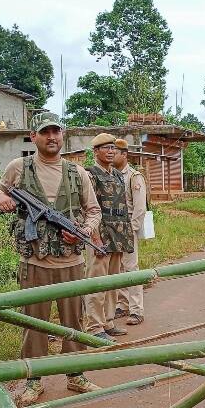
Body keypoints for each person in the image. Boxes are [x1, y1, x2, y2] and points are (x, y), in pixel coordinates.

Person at [0, 112, 102, 406]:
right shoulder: (19, 168)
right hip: (34, 262)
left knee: (73, 322)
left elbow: (94, 211)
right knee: (34, 322)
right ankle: (34, 380)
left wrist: (84, 232)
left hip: (70, 262)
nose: (52, 137)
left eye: (56, 131)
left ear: (62, 136)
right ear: (33, 137)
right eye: (45, 132)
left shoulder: (79, 173)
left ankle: (75, 375)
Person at [85, 134, 135, 340]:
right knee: (97, 283)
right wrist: (95, 239)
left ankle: (108, 321)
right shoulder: (91, 174)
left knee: (113, 282)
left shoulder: (116, 174)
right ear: (96, 151)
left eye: (113, 148)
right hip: (100, 234)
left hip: (118, 234)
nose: (111, 151)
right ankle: (94, 327)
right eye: (105, 148)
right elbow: (88, 208)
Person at [114, 138, 147, 326]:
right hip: (112, 229)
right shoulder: (110, 175)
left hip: (127, 228)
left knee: (131, 268)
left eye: (115, 151)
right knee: (118, 268)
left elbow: (139, 208)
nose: (111, 154)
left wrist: (132, 229)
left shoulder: (134, 177)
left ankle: (136, 309)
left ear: (124, 154)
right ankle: (122, 303)